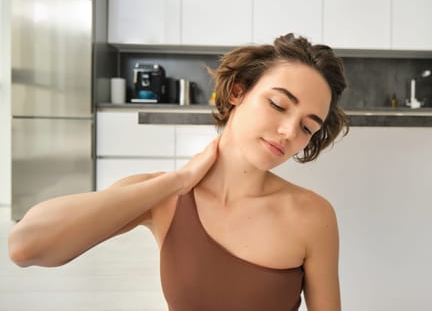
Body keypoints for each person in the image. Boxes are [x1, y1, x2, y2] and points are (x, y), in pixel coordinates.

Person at [8, 33, 349, 311]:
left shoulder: (312, 216)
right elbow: (25, 245)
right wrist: (177, 182)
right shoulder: (164, 197)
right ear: (237, 92)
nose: (290, 132)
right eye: (278, 104)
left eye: (307, 127)